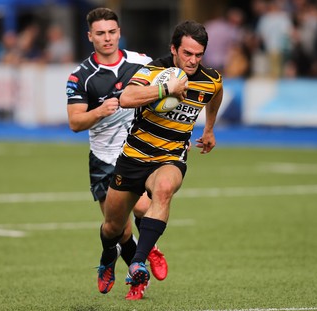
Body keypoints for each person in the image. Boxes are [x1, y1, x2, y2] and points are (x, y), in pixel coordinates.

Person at [97, 20, 223, 299]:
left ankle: (138, 263)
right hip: (135, 156)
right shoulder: (154, 71)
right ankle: (108, 256)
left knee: (164, 191)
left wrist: (210, 128)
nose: (193, 61)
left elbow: (215, 93)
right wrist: (167, 90)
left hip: (171, 156)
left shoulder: (210, 78)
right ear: (174, 49)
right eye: (187, 53)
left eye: (198, 55)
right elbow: (127, 98)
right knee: (113, 227)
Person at [65, 8, 168, 300]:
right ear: (90, 37)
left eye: (111, 32)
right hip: (102, 159)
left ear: (119, 32)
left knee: (142, 208)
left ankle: (149, 252)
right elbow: (75, 122)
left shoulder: (142, 62)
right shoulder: (81, 76)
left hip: (136, 153)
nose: (107, 38)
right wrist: (100, 110)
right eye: (100, 33)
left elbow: (165, 85)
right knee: (117, 228)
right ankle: (119, 264)